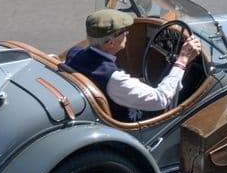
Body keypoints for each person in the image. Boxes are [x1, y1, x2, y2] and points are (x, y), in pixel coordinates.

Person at [62, 8, 202, 122]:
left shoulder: (74, 53)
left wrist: (131, 83)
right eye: (123, 31)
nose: (128, 33)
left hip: (98, 113)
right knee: (190, 86)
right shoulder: (114, 79)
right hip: (136, 125)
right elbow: (161, 99)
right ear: (111, 43)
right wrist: (182, 60)